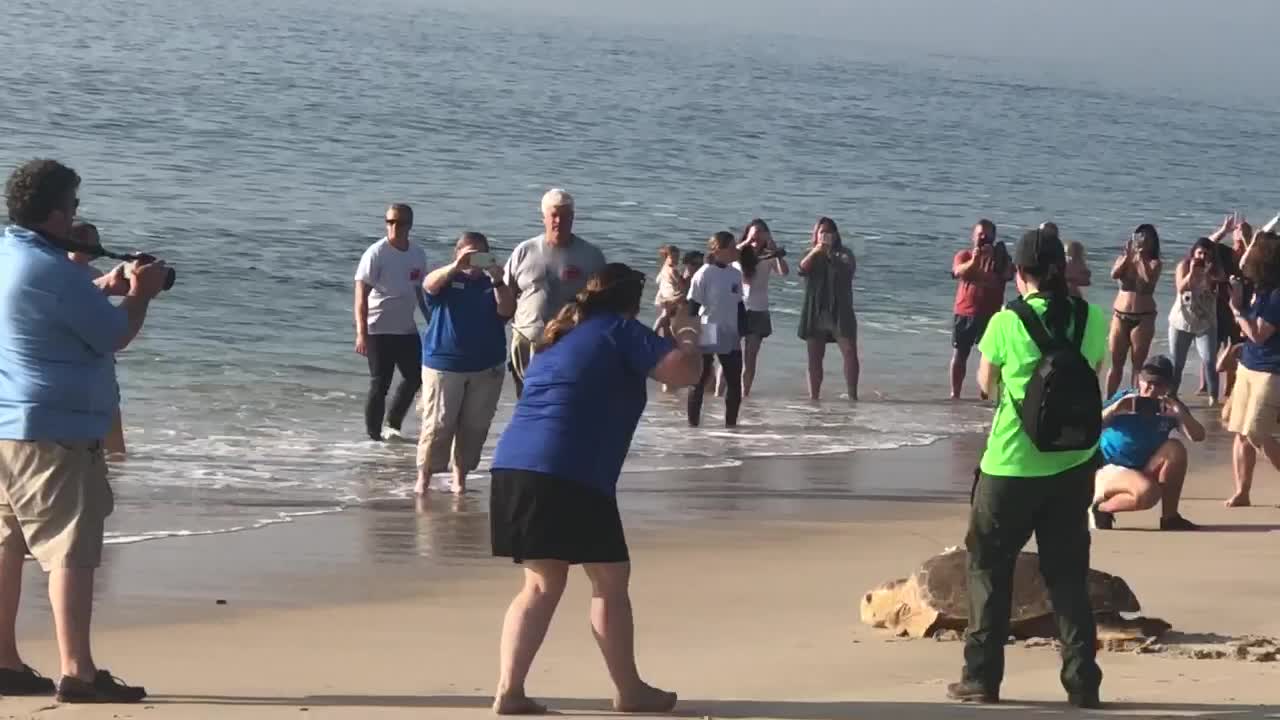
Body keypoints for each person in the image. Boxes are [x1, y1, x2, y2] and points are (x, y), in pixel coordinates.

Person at [486, 263, 702, 716]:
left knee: (542, 584)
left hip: (514, 466)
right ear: (629, 300)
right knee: (609, 578)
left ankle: (510, 689)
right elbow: (684, 372)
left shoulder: (559, 337)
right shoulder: (619, 330)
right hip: (569, 471)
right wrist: (687, 331)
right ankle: (629, 690)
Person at [0, 159, 168, 703]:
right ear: (53, 211)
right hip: (58, 431)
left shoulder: (12, 255)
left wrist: (99, 283)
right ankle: (79, 671)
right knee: (70, 550)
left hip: (8, 425)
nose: (76, 214)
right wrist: (138, 292)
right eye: (72, 204)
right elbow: (116, 335)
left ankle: (4, 661)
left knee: (7, 545)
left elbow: (45, 310)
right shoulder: (54, 271)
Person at [948, 228, 1108, 709]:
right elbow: (1095, 371)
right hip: (1073, 463)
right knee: (1068, 575)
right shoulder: (1091, 317)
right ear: (1062, 268)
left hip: (1011, 465)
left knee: (989, 570)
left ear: (1019, 274)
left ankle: (982, 677)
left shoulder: (1004, 322)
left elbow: (985, 386)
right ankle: (1083, 682)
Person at [415, 232, 515, 495]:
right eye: (468, 253)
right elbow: (428, 285)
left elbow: (507, 310)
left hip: (486, 365)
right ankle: (424, 478)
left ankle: (460, 478)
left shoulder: (494, 282)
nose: (473, 260)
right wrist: (456, 266)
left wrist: (497, 279)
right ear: (457, 253)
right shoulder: (447, 279)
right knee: (438, 424)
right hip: (444, 364)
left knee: (475, 425)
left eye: (479, 254)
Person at [504, 189, 606, 399]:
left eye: (566, 215)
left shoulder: (591, 255)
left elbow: (601, 304)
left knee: (561, 402)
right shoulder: (525, 250)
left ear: (573, 217)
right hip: (526, 342)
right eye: (554, 215)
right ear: (544, 218)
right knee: (526, 405)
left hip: (569, 344)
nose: (559, 220)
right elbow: (506, 298)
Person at [1091, 356, 1204, 531]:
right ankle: (1100, 508)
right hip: (1110, 467)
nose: (1151, 390)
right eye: (1147, 383)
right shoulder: (1126, 399)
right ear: (1139, 380)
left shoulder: (1169, 407)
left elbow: (1197, 436)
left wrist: (1180, 413)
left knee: (1176, 448)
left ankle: (1170, 517)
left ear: (1167, 387)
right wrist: (1115, 410)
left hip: (1144, 466)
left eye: (1158, 385)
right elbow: (1090, 427)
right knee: (1148, 493)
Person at [354, 203, 429, 441]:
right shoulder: (376, 253)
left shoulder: (417, 254)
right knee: (380, 383)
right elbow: (360, 296)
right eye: (390, 222)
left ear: (410, 225)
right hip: (378, 328)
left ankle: (392, 424)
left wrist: (433, 322)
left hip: (405, 328)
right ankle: (373, 437)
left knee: (415, 376)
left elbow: (420, 292)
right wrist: (361, 333)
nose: (394, 227)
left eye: (399, 223)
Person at [1223, 230, 1280, 508]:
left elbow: (1258, 334)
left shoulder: (1277, 295)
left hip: (1271, 370)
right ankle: (1242, 492)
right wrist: (1252, 238)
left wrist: (1236, 310)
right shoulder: (1261, 289)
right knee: (1240, 432)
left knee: (1258, 434)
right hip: (1248, 364)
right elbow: (1243, 264)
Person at [67, 222, 127, 457]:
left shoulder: (96, 274)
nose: (99, 247)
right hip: (77, 357)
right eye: (94, 241)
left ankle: (117, 461)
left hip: (100, 353)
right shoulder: (63, 272)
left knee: (111, 407)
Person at [950, 220, 1013, 399]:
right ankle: (955, 394)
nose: (984, 238)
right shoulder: (964, 255)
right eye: (980, 235)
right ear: (973, 236)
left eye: (987, 235)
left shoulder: (1001, 259)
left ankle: (986, 394)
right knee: (960, 354)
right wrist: (976, 260)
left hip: (991, 315)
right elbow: (958, 272)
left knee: (990, 358)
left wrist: (998, 259)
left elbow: (1009, 274)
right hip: (965, 312)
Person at [798, 217, 859, 401]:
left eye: (829, 232)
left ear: (836, 234)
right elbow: (802, 269)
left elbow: (849, 269)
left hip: (840, 310)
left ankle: (852, 395)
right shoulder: (810, 253)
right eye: (821, 232)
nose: (825, 236)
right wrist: (817, 251)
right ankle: (814, 397)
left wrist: (831, 255)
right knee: (814, 357)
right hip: (816, 309)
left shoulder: (844, 253)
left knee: (849, 351)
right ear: (815, 235)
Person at [687, 232, 744, 427]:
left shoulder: (736, 274)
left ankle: (731, 427)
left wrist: (743, 329)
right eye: (732, 247)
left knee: (734, 381)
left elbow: (739, 305)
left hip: (730, 330)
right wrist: (689, 336)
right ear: (718, 250)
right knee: (700, 379)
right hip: (708, 328)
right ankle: (692, 426)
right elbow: (693, 307)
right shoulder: (704, 273)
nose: (736, 250)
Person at [1105, 224, 1162, 398]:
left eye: (1147, 237)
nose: (1143, 240)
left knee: (1137, 365)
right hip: (1120, 315)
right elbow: (1114, 274)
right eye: (1140, 236)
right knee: (1116, 363)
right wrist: (1128, 258)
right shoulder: (1124, 258)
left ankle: (1135, 401)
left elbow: (1147, 279)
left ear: (1153, 242)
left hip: (1143, 317)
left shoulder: (1155, 263)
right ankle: (1108, 401)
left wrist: (1140, 257)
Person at [735, 219, 789, 397]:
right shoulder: (739, 252)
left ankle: (745, 395)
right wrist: (747, 242)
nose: (756, 236)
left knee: (750, 359)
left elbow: (784, 272)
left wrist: (776, 253)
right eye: (753, 232)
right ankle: (720, 396)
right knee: (729, 356)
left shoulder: (769, 256)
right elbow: (725, 258)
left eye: (760, 232)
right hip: (737, 308)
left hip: (758, 310)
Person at [1167, 237, 1224, 404]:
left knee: (1209, 360)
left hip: (1205, 323)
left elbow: (1220, 279)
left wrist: (1206, 272)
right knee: (1177, 362)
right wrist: (1192, 272)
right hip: (1181, 321)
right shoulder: (1183, 266)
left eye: (1206, 254)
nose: (1202, 257)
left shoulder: (1214, 271)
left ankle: (1213, 397)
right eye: (1199, 253)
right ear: (1193, 253)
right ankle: (1172, 395)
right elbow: (1181, 288)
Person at [652, 244, 684, 337]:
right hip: (671, 297)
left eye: (677, 257)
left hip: (662, 295)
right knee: (665, 315)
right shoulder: (673, 270)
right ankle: (654, 332)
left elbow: (657, 281)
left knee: (666, 316)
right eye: (673, 257)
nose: (676, 259)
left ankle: (664, 335)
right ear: (666, 257)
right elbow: (681, 285)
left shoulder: (663, 268)